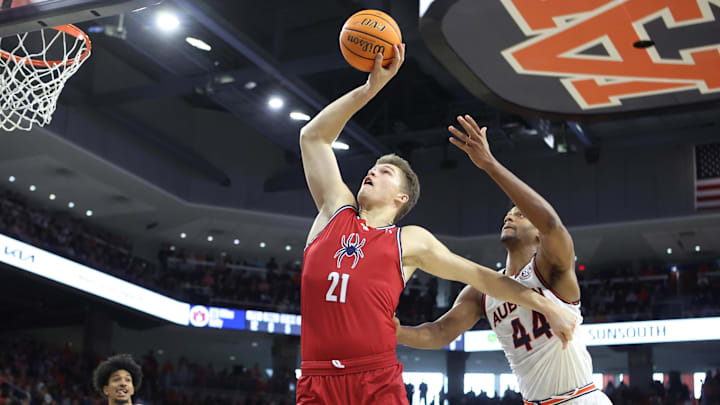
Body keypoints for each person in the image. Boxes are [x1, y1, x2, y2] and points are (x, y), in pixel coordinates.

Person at [296, 44, 578, 405]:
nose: (372, 171)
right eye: (373, 168)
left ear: (401, 198)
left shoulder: (410, 242)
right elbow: (313, 137)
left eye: (385, 172)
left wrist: (549, 306)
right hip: (316, 378)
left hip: (375, 378)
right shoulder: (334, 212)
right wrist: (370, 88)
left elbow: (484, 278)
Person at [396, 115, 611, 404]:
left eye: (520, 214)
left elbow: (550, 223)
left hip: (579, 399)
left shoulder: (551, 270)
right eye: (508, 214)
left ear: (538, 237)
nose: (510, 215)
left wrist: (490, 165)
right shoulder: (482, 290)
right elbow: (439, 332)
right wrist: (394, 331)